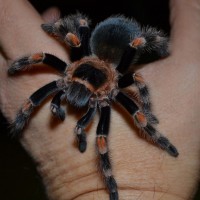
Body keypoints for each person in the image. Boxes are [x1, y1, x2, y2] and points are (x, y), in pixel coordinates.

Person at [0, 0, 199, 199]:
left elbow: (138, 80)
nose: (78, 94)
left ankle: (119, 173)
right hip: (102, 44)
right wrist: (54, 29)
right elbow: (74, 29)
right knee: (63, 42)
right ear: (71, 74)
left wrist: (146, 109)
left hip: (120, 44)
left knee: (135, 50)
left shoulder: (114, 85)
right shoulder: (70, 73)